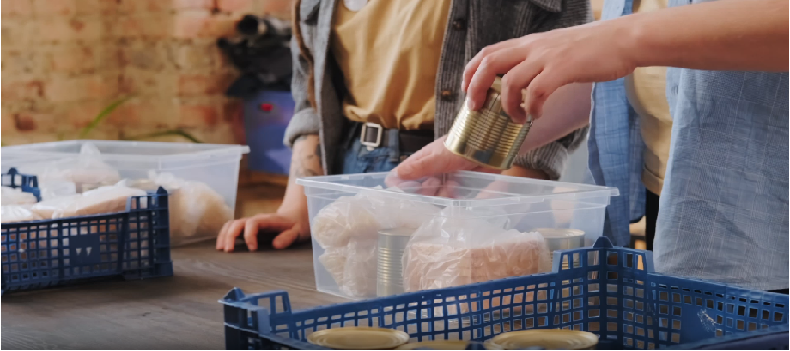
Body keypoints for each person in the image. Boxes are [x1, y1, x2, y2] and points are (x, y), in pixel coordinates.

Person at [394, 0, 788, 292]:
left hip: (769, 224)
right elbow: (634, 72)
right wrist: (478, 145)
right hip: (680, 210)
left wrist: (619, 38)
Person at [216, 0, 596, 252]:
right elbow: (312, 86)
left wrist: (494, 207)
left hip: (478, 182)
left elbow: (563, 79)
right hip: (349, 172)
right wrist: (297, 209)